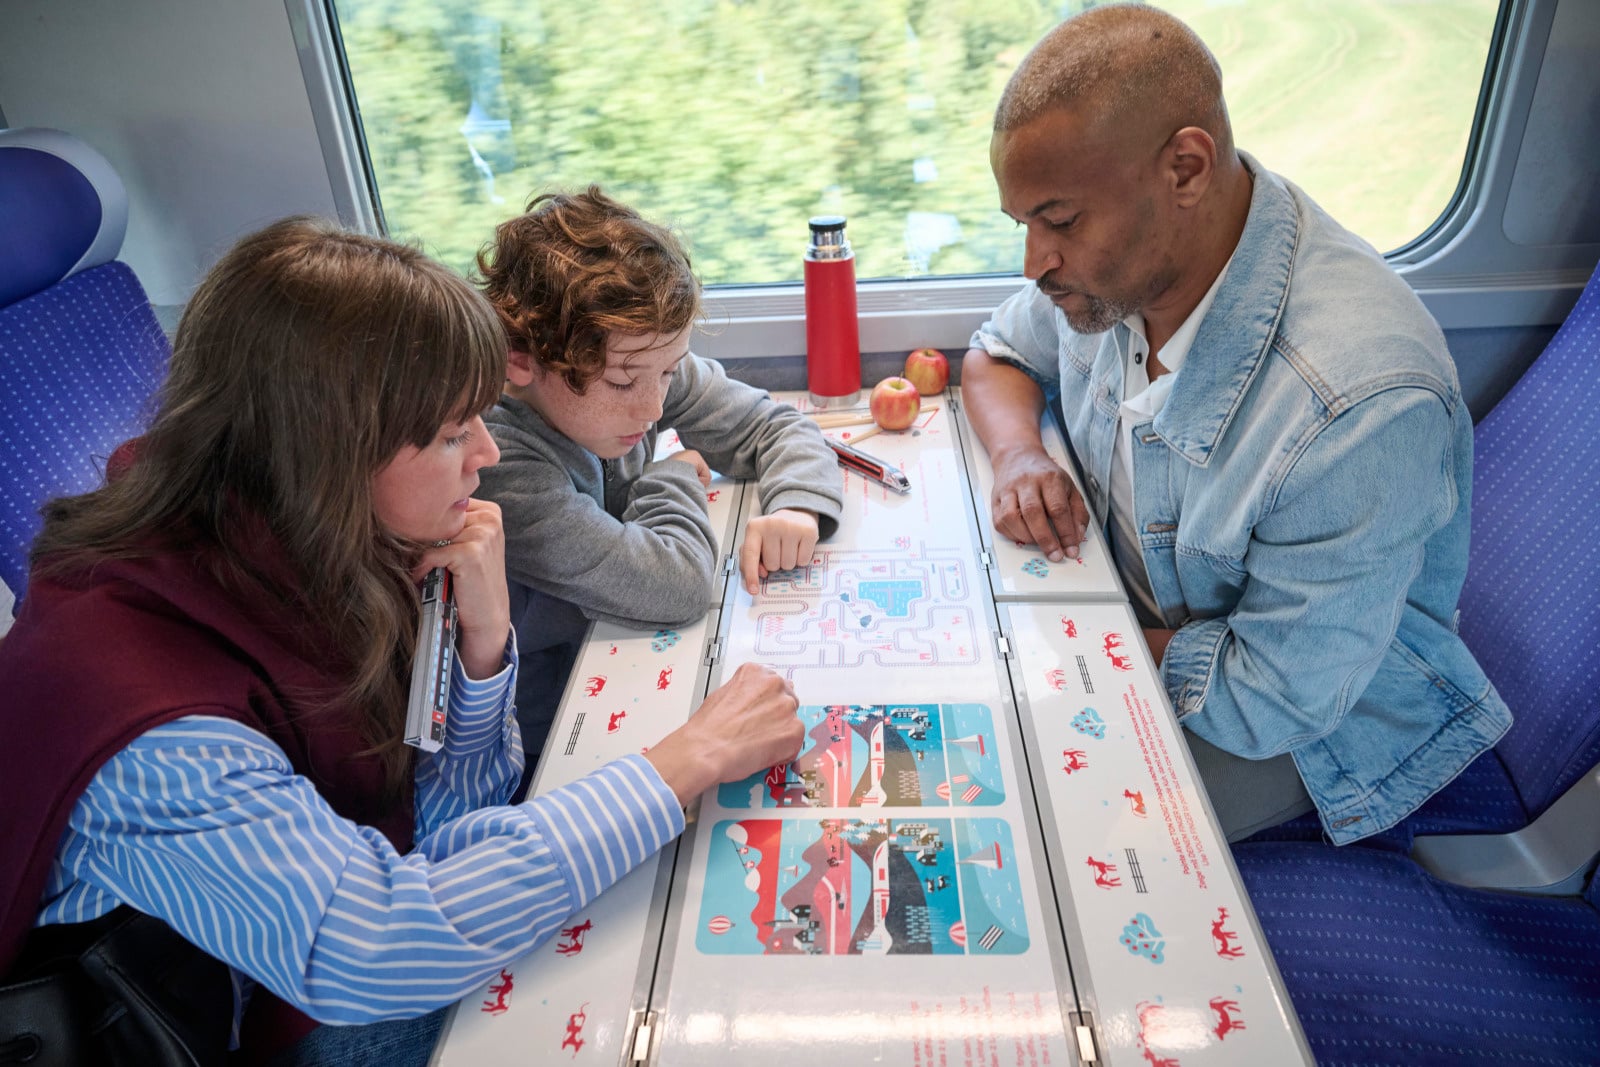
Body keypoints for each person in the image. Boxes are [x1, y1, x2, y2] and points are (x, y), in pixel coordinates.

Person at [0, 217, 803, 1065]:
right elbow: (378, 946)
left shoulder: (306, 545)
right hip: (222, 1021)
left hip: (291, 962)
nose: (486, 453)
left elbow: (451, 823)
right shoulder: (148, 715)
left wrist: (482, 646)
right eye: (454, 433)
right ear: (331, 455)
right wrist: (678, 765)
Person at [962, 4, 1511, 844]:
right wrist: (1016, 457)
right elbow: (998, 353)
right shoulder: (1123, 272)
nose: (1035, 262)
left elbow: (1272, 699)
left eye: (1060, 222)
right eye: (1024, 224)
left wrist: (1071, 640)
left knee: (1020, 819)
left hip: (1301, 725)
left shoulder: (1357, 406)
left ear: (1185, 169)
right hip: (1144, 627)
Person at [476, 187, 844, 759]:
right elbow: (678, 585)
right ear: (521, 359)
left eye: (670, 373)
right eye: (622, 383)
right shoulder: (498, 463)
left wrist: (797, 504)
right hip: (547, 741)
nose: (652, 407)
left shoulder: (640, 356)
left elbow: (774, 426)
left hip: (620, 664)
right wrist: (667, 478)